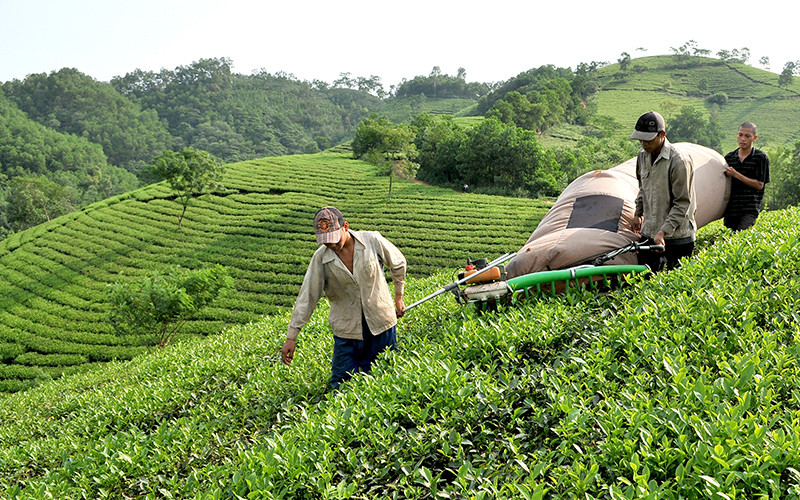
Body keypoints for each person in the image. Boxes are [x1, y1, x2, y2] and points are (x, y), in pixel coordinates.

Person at [281, 206, 407, 389]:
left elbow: (398, 263)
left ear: (345, 227)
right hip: (347, 330)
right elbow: (307, 297)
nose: (331, 245)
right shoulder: (321, 258)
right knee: (341, 384)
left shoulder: (371, 240)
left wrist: (399, 295)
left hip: (381, 324)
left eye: (333, 238)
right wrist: (292, 336)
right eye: (325, 241)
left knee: (384, 380)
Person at [629, 111, 697, 271]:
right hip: (650, 231)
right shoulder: (642, 155)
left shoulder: (678, 160)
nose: (643, 143)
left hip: (677, 236)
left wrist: (663, 232)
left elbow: (682, 203)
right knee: (646, 280)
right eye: (640, 139)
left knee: (676, 285)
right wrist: (638, 213)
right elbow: (643, 188)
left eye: (648, 139)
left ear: (662, 135)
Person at [722, 122, 770, 231]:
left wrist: (736, 175)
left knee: (742, 236)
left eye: (747, 136)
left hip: (749, 209)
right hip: (731, 210)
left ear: (754, 138)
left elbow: (759, 185)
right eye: (740, 135)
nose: (742, 139)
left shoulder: (760, 158)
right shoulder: (730, 158)